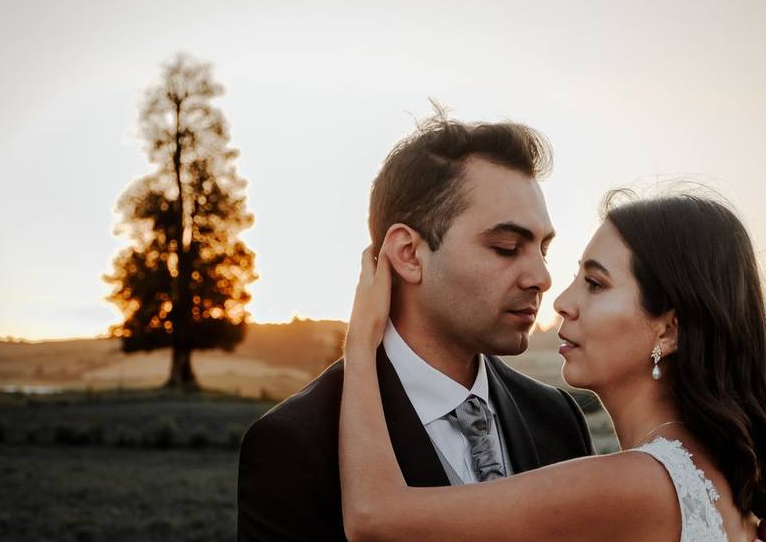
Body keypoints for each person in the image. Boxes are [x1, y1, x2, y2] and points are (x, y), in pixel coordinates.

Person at [340, 193, 766, 541]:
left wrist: (361, 342)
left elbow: (372, 515)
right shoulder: (724, 487)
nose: (561, 302)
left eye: (596, 284)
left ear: (668, 330)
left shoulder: (640, 483)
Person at [237, 117, 594, 541]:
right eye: (506, 248)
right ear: (408, 253)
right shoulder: (294, 444)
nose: (541, 276)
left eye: (543, 249)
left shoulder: (557, 418)